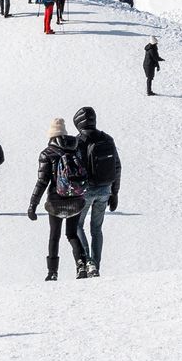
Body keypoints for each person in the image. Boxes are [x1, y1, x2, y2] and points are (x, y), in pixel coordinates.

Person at [25, 119, 90, 281]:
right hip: (76, 200)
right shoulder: (76, 149)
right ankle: (81, 266)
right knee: (72, 234)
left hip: (56, 202)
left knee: (54, 235)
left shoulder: (47, 153)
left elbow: (42, 182)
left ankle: (52, 272)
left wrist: (33, 204)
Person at [72, 107, 122, 275]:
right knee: (97, 229)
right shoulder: (107, 139)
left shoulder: (78, 141)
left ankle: (88, 262)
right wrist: (115, 193)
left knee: (77, 225)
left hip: (85, 191)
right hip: (105, 189)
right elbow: (117, 166)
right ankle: (96, 267)